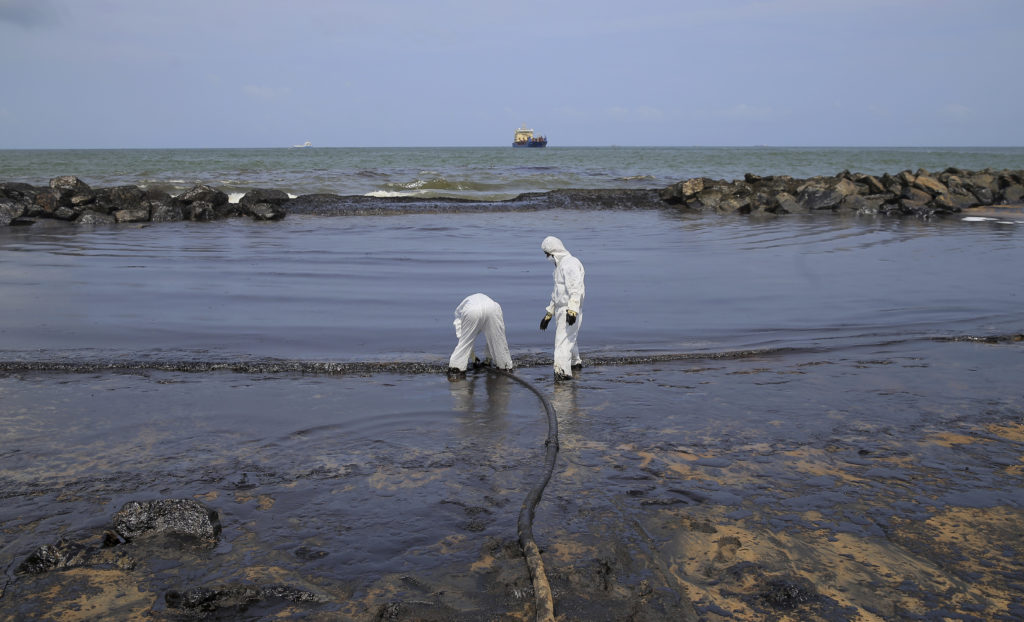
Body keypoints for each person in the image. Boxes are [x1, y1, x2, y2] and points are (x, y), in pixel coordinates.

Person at [539, 236, 585, 380]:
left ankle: (562, 374)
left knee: (562, 343)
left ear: (555, 252)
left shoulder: (570, 264)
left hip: (568, 309)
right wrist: (549, 313)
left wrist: (572, 309)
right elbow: (557, 293)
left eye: (547, 254)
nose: (547, 257)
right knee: (570, 339)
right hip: (562, 309)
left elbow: (575, 288)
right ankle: (575, 364)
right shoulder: (560, 266)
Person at [448, 293, 513, 379]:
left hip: (471, 311)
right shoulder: (485, 301)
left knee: (464, 344)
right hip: (492, 308)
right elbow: (492, 339)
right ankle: (505, 367)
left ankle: (456, 371)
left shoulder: (460, 314)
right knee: (498, 340)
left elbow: (465, 339)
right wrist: (488, 360)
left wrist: (473, 358)